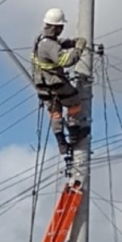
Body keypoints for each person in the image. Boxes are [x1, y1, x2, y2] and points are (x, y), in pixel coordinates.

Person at [31, 8, 90, 155]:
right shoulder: (49, 45)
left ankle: (62, 144)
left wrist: (71, 43)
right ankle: (75, 133)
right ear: (55, 27)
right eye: (61, 27)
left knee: (55, 113)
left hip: (42, 85)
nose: (62, 29)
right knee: (74, 101)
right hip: (54, 82)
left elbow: (58, 43)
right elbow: (67, 60)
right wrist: (78, 49)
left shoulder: (41, 39)